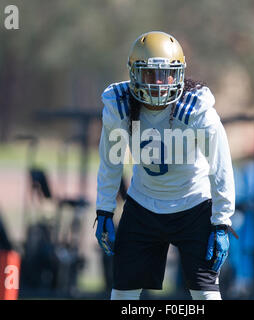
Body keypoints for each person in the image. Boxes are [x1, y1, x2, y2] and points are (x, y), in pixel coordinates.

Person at [94, 31, 236, 300]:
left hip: (193, 204)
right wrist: (104, 209)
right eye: (150, 74)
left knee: (206, 295)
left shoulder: (195, 108)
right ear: (135, 74)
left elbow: (221, 165)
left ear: (178, 75)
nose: (158, 83)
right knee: (122, 295)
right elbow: (111, 161)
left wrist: (221, 222)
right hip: (143, 204)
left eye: (165, 74)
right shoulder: (120, 105)